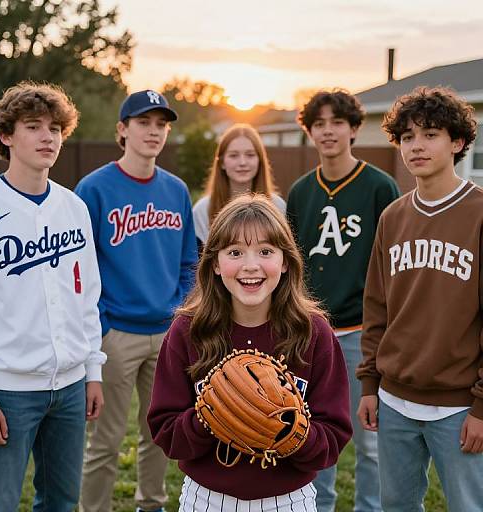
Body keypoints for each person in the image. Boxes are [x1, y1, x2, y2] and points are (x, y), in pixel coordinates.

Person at [148, 193, 352, 512]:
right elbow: (166, 431)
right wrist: (214, 414)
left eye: (266, 251)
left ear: (285, 261)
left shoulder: (313, 332)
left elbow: (334, 437)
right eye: (235, 252)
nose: (251, 265)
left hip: (288, 500)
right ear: (215, 263)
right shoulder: (188, 330)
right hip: (207, 498)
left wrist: (290, 432)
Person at [0, 81, 106, 511]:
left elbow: (86, 296)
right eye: (33, 126)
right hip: (7, 391)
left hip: (69, 387)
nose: (48, 137)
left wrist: (92, 369)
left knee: (62, 503)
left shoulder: (73, 207)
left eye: (55, 127)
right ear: (6, 136)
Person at [356, 86, 483, 511]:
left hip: (459, 406)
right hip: (394, 401)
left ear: (458, 142)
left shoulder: (479, 214)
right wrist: (370, 384)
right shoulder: (393, 217)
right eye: (407, 137)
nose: (417, 146)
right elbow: (376, 307)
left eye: (430, 134)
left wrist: (482, 406)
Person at [75, 89, 198, 512]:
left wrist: (178, 312)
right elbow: (80, 268)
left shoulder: (176, 190)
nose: (154, 131)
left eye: (161, 124)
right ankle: (94, 509)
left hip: (165, 334)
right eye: (144, 122)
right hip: (116, 335)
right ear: (122, 130)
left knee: (160, 435)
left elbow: (188, 262)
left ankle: (152, 504)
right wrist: (103, 325)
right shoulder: (93, 189)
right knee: (105, 441)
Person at [286, 89, 400, 512]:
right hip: (311, 334)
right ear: (310, 131)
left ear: (354, 128)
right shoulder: (301, 192)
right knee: (315, 433)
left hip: (361, 333)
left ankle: (369, 508)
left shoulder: (378, 187)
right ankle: (318, 506)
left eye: (337, 123)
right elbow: (291, 264)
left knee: (370, 440)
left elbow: (392, 265)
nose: (328, 131)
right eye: (319, 124)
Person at [193, 123, 286, 249]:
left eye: (250, 155)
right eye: (233, 155)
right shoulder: (203, 210)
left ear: (260, 161)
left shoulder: (277, 206)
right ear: (221, 163)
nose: (242, 162)